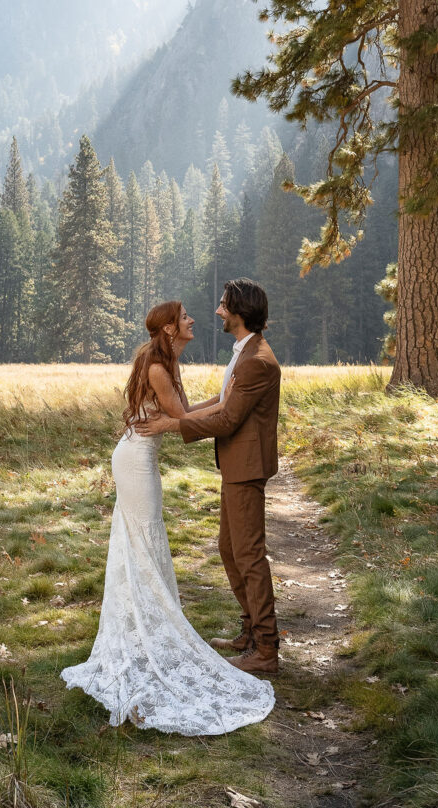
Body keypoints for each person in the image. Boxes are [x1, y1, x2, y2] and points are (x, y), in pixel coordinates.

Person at [60, 300, 274, 736]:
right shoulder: (158, 366)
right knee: (142, 539)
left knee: (146, 540)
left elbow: (184, 413)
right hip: (136, 460)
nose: (194, 319)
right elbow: (181, 416)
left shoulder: (166, 361)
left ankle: (152, 628)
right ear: (169, 330)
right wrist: (206, 410)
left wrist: (217, 402)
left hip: (141, 458)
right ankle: (147, 629)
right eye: (185, 318)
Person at [137, 279, 281, 676]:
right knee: (229, 549)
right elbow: (221, 404)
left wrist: (169, 425)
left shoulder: (256, 360)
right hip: (237, 465)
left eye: (223, 306)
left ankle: (266, 649)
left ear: (239, 311)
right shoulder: (244, 352)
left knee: (248, 555)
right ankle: (250, 629)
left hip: (246, 468)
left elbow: (229, 417)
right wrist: (178, 417)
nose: (217, 311)